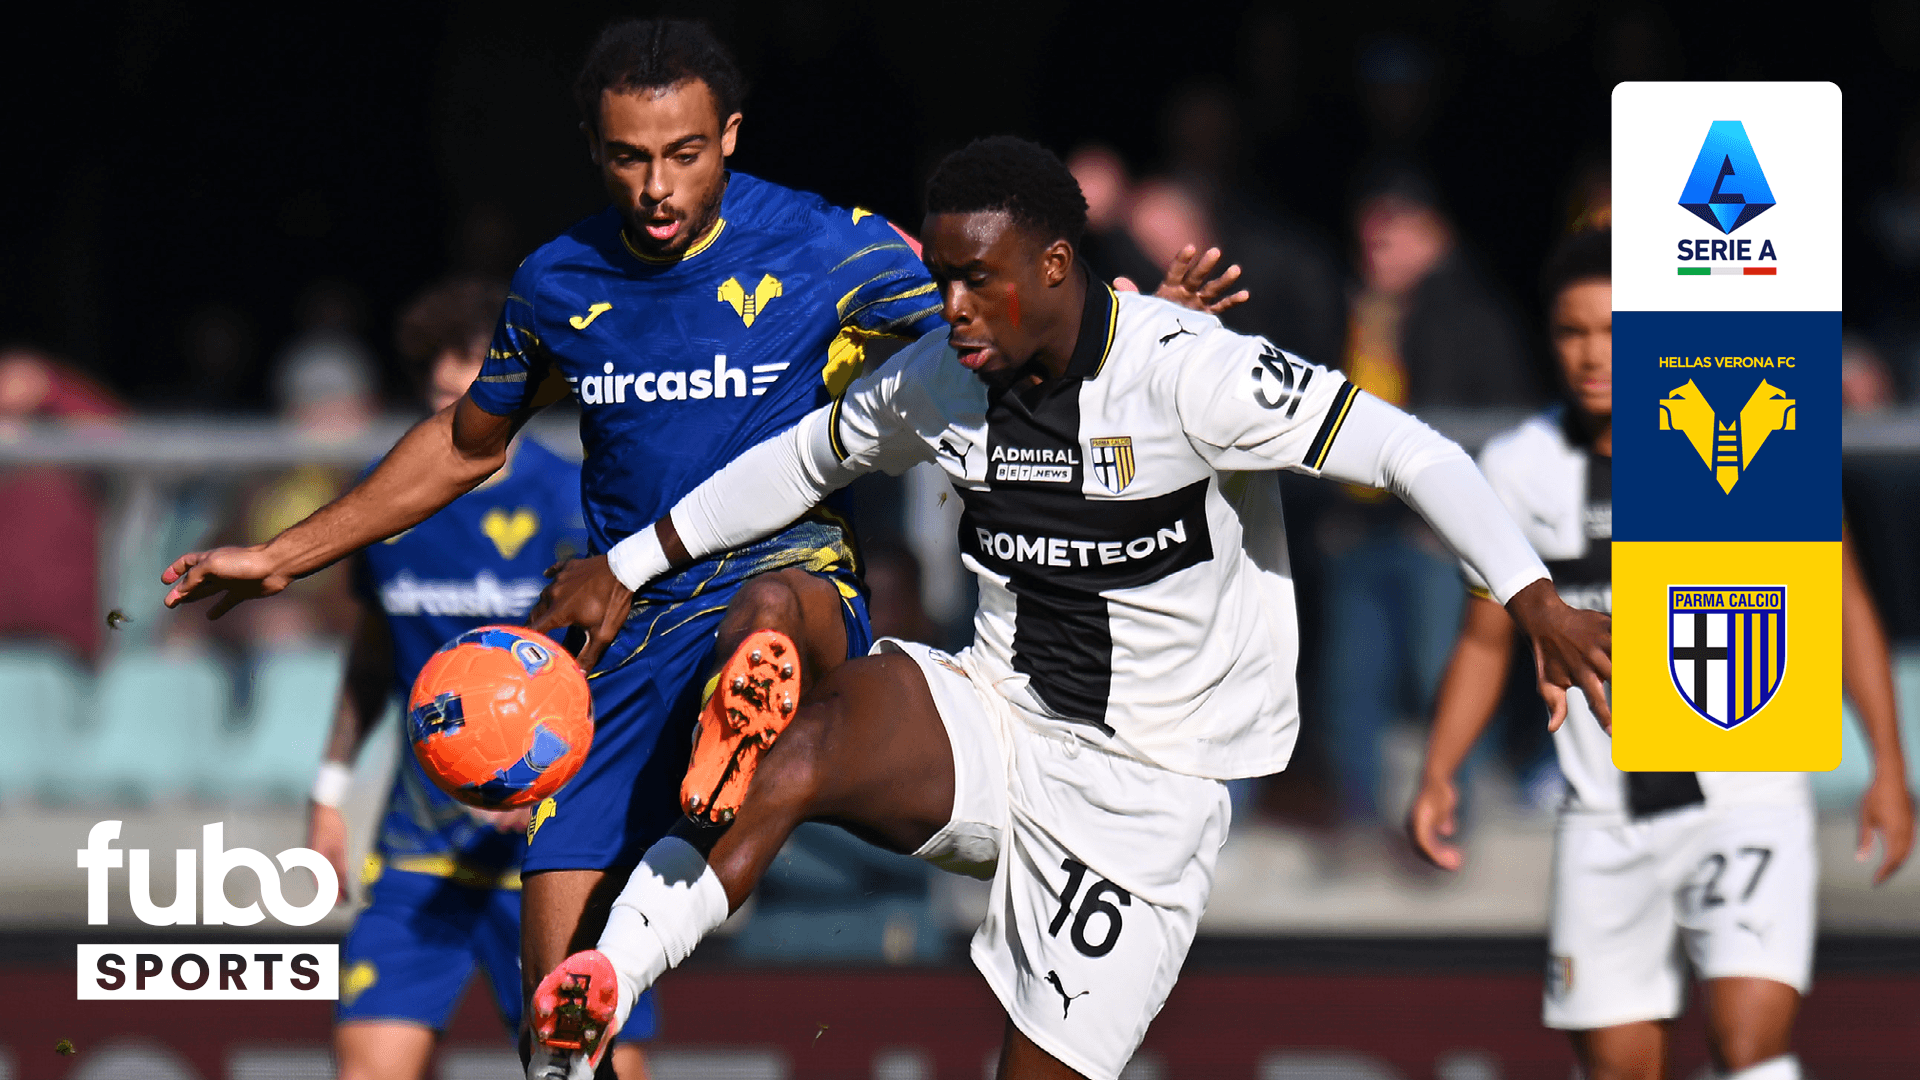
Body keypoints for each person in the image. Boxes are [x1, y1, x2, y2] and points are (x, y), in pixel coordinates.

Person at [158, 22, 1240, 1078]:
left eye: (683, 153)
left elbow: (991, 333)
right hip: (626, 633)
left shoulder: (833, 245)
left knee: (770, 610)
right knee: (561, 1029)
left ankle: (752, 697)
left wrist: (1129, 333)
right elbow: (464, 443)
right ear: (595, 150)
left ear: (729, 135)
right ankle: (711, 766)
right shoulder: (559, 280)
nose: (657, 186)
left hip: (791, 577)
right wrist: (284, 556)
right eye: (629, 158)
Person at [524, 136, 1611, 1080]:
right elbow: (802, 460)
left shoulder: (1190, 375)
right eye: (940, 277)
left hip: (1151, 790)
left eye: (976, 279)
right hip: (999, 717)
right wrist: (628, 562)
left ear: (1054, 265)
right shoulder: (943, 378)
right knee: (800, 742)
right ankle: (606, 978)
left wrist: (1537, 602)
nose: (951, 307)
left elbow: (1415, 452)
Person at [1405, 230, 1916, 1080]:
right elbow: (1486, 636)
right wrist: (1439, 771)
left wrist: (1889, 769)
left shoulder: (1753, 430)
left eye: (1615, 330)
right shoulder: (1518, 467)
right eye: (1572, 331)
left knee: (1749, 1045)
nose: (1593, 354)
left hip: (1746, 794)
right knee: (1619, 1067)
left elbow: (1844, 602)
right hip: (1605, 811)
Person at [308, 278, 660, 1080]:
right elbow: (373, 657)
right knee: (367, 1069)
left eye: (469, 395)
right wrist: (329, 791)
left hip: (556, 846)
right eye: (438, 395)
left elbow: (628, 666)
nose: (456, 415)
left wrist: (555, 778)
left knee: (600, 1071)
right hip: (421, 845)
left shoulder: (578, 504)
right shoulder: (384, 508)